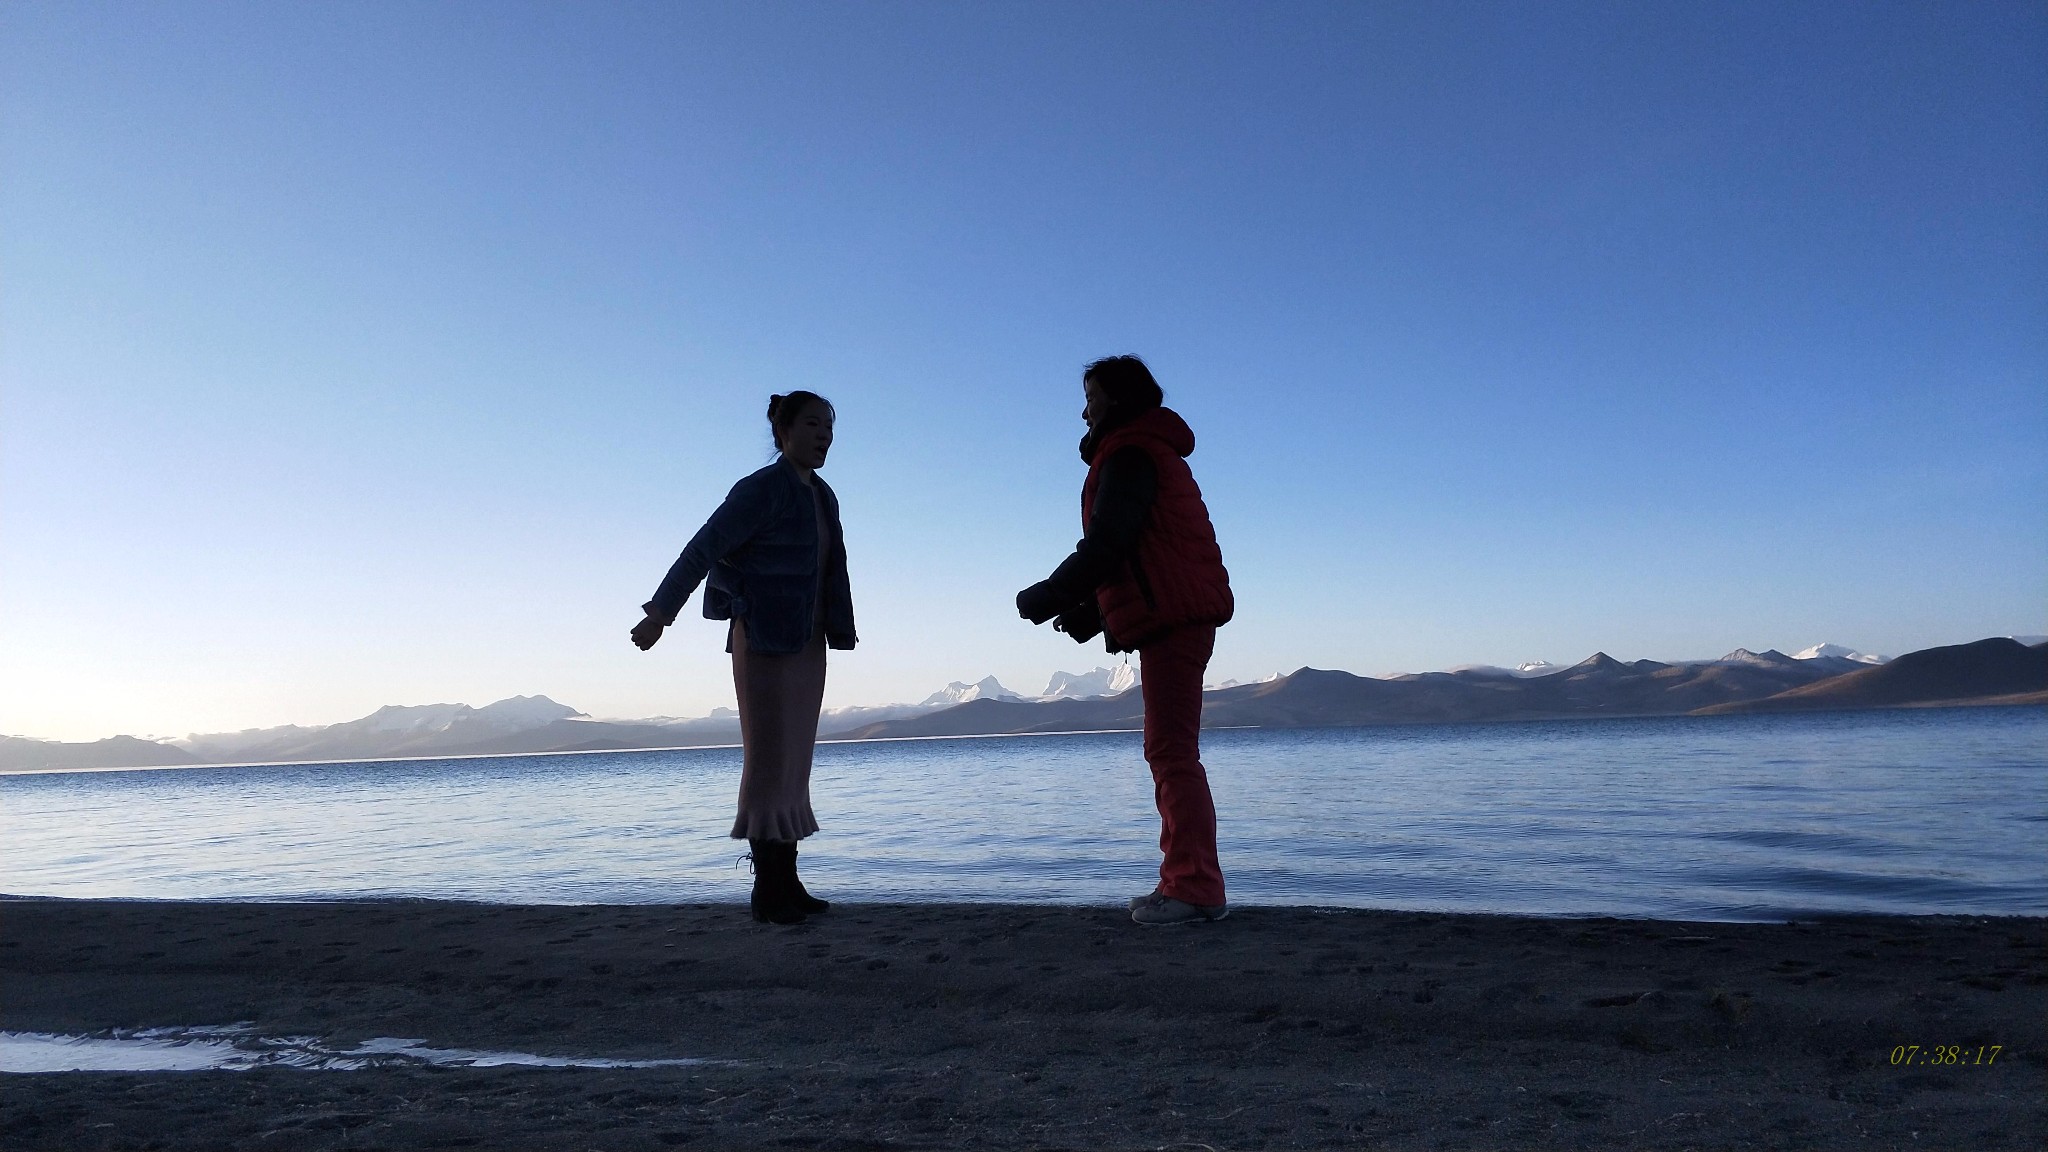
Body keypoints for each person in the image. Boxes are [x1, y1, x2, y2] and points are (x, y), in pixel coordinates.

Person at [1016, 356, 1235, 925]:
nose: (1083, 411)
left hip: (1176, 620)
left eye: (1090, 397)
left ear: (1115, 400)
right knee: (1169, 750)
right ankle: (1181, 881)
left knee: (1171, 752)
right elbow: (1143, 554)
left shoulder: (1133, 454)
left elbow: (1108, 545)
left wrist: (1047, 595)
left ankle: (1195, 888)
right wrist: (1094, 615)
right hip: (1176, 614)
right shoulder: (1143, 452)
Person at [631, 392, 855, 924]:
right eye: (812, 424)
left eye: (829, 427)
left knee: (794, 765)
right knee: (769, 762)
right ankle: (767, 890)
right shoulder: (760, 489)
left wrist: (839, 629)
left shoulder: (823, 495)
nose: (823, 435)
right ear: (783, 431)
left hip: (807, 642)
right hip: (763, 639)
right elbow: (702, 548)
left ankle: (788, 882)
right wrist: (660, 614)